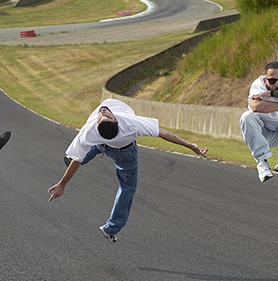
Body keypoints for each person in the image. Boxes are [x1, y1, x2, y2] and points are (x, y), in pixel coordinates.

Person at [48, 98, 208, 242]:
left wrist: (63, 183)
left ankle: (81, 155)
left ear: (115, 120)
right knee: (127, 187)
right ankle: (111, 228)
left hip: (112, 148)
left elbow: (77, 159)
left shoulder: (91, 131)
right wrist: (190, 145)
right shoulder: (130, 124)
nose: (101, 112)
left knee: (84, 154)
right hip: (121, 150)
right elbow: (163, 133)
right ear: (115, 120)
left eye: (103, 115)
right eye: (102, 116)